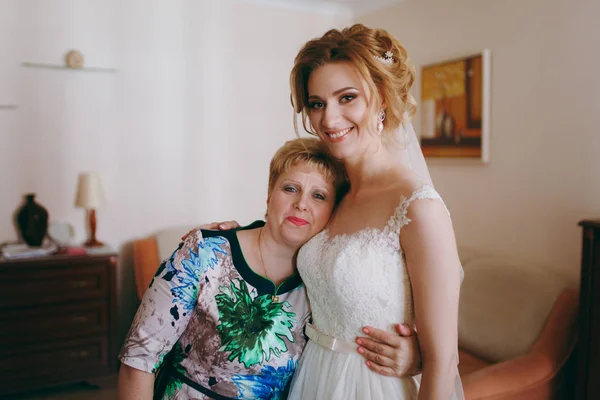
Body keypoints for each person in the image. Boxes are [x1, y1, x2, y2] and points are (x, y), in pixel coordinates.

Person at [206, 24, 465, 399]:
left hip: (372, 386)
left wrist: (419, 356)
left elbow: (444, 361)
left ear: (382, 99)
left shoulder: (418, 207)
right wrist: (237, 237)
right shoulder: (332, 189)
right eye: (317, 103)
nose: (329, 120)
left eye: (347, 98)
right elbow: (285, 238)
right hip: (312, 376)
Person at [117, 137, 421, 400]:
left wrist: (414, 357)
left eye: (319, 196)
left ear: (332, 212)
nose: (302, 204)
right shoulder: (205, 252)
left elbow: (359, 330)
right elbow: (139, 360)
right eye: (290, 188)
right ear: (269, 196)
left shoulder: (323, 279)